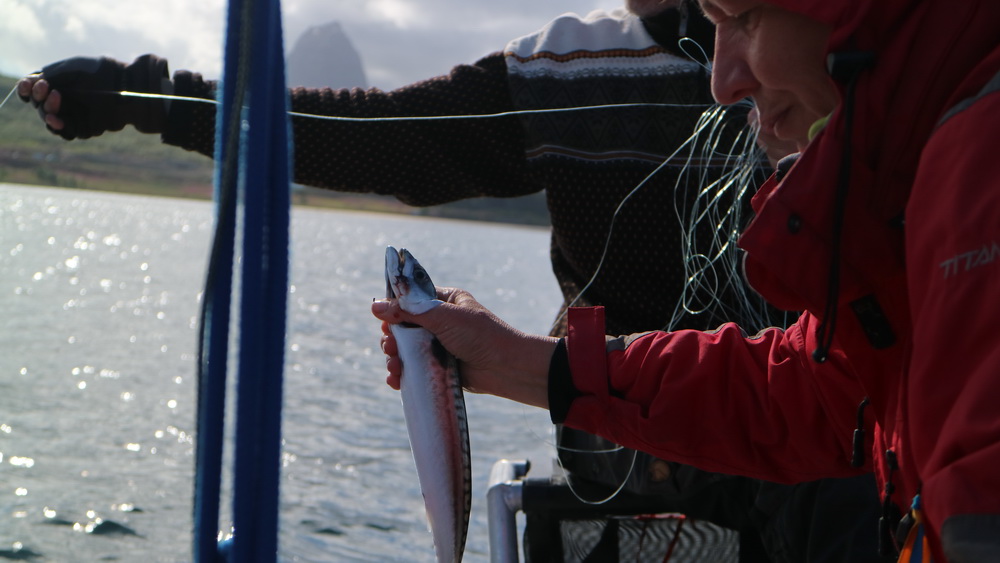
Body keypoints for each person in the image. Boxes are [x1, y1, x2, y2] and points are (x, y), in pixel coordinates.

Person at [17, 2, 888, 561]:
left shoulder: (842, 59)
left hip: (821, 423)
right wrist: (146, 97)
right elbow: (378, 136)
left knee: (844, 480)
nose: (734, 74)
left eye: (745, 20)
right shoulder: (562, 67)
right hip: (623, 440)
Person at [373, 0, 1000, 561]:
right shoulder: (919, 194)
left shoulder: (979, 174)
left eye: (743, 18)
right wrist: (516, 362)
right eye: (713, 24)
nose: (722, 83)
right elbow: (810, 390)